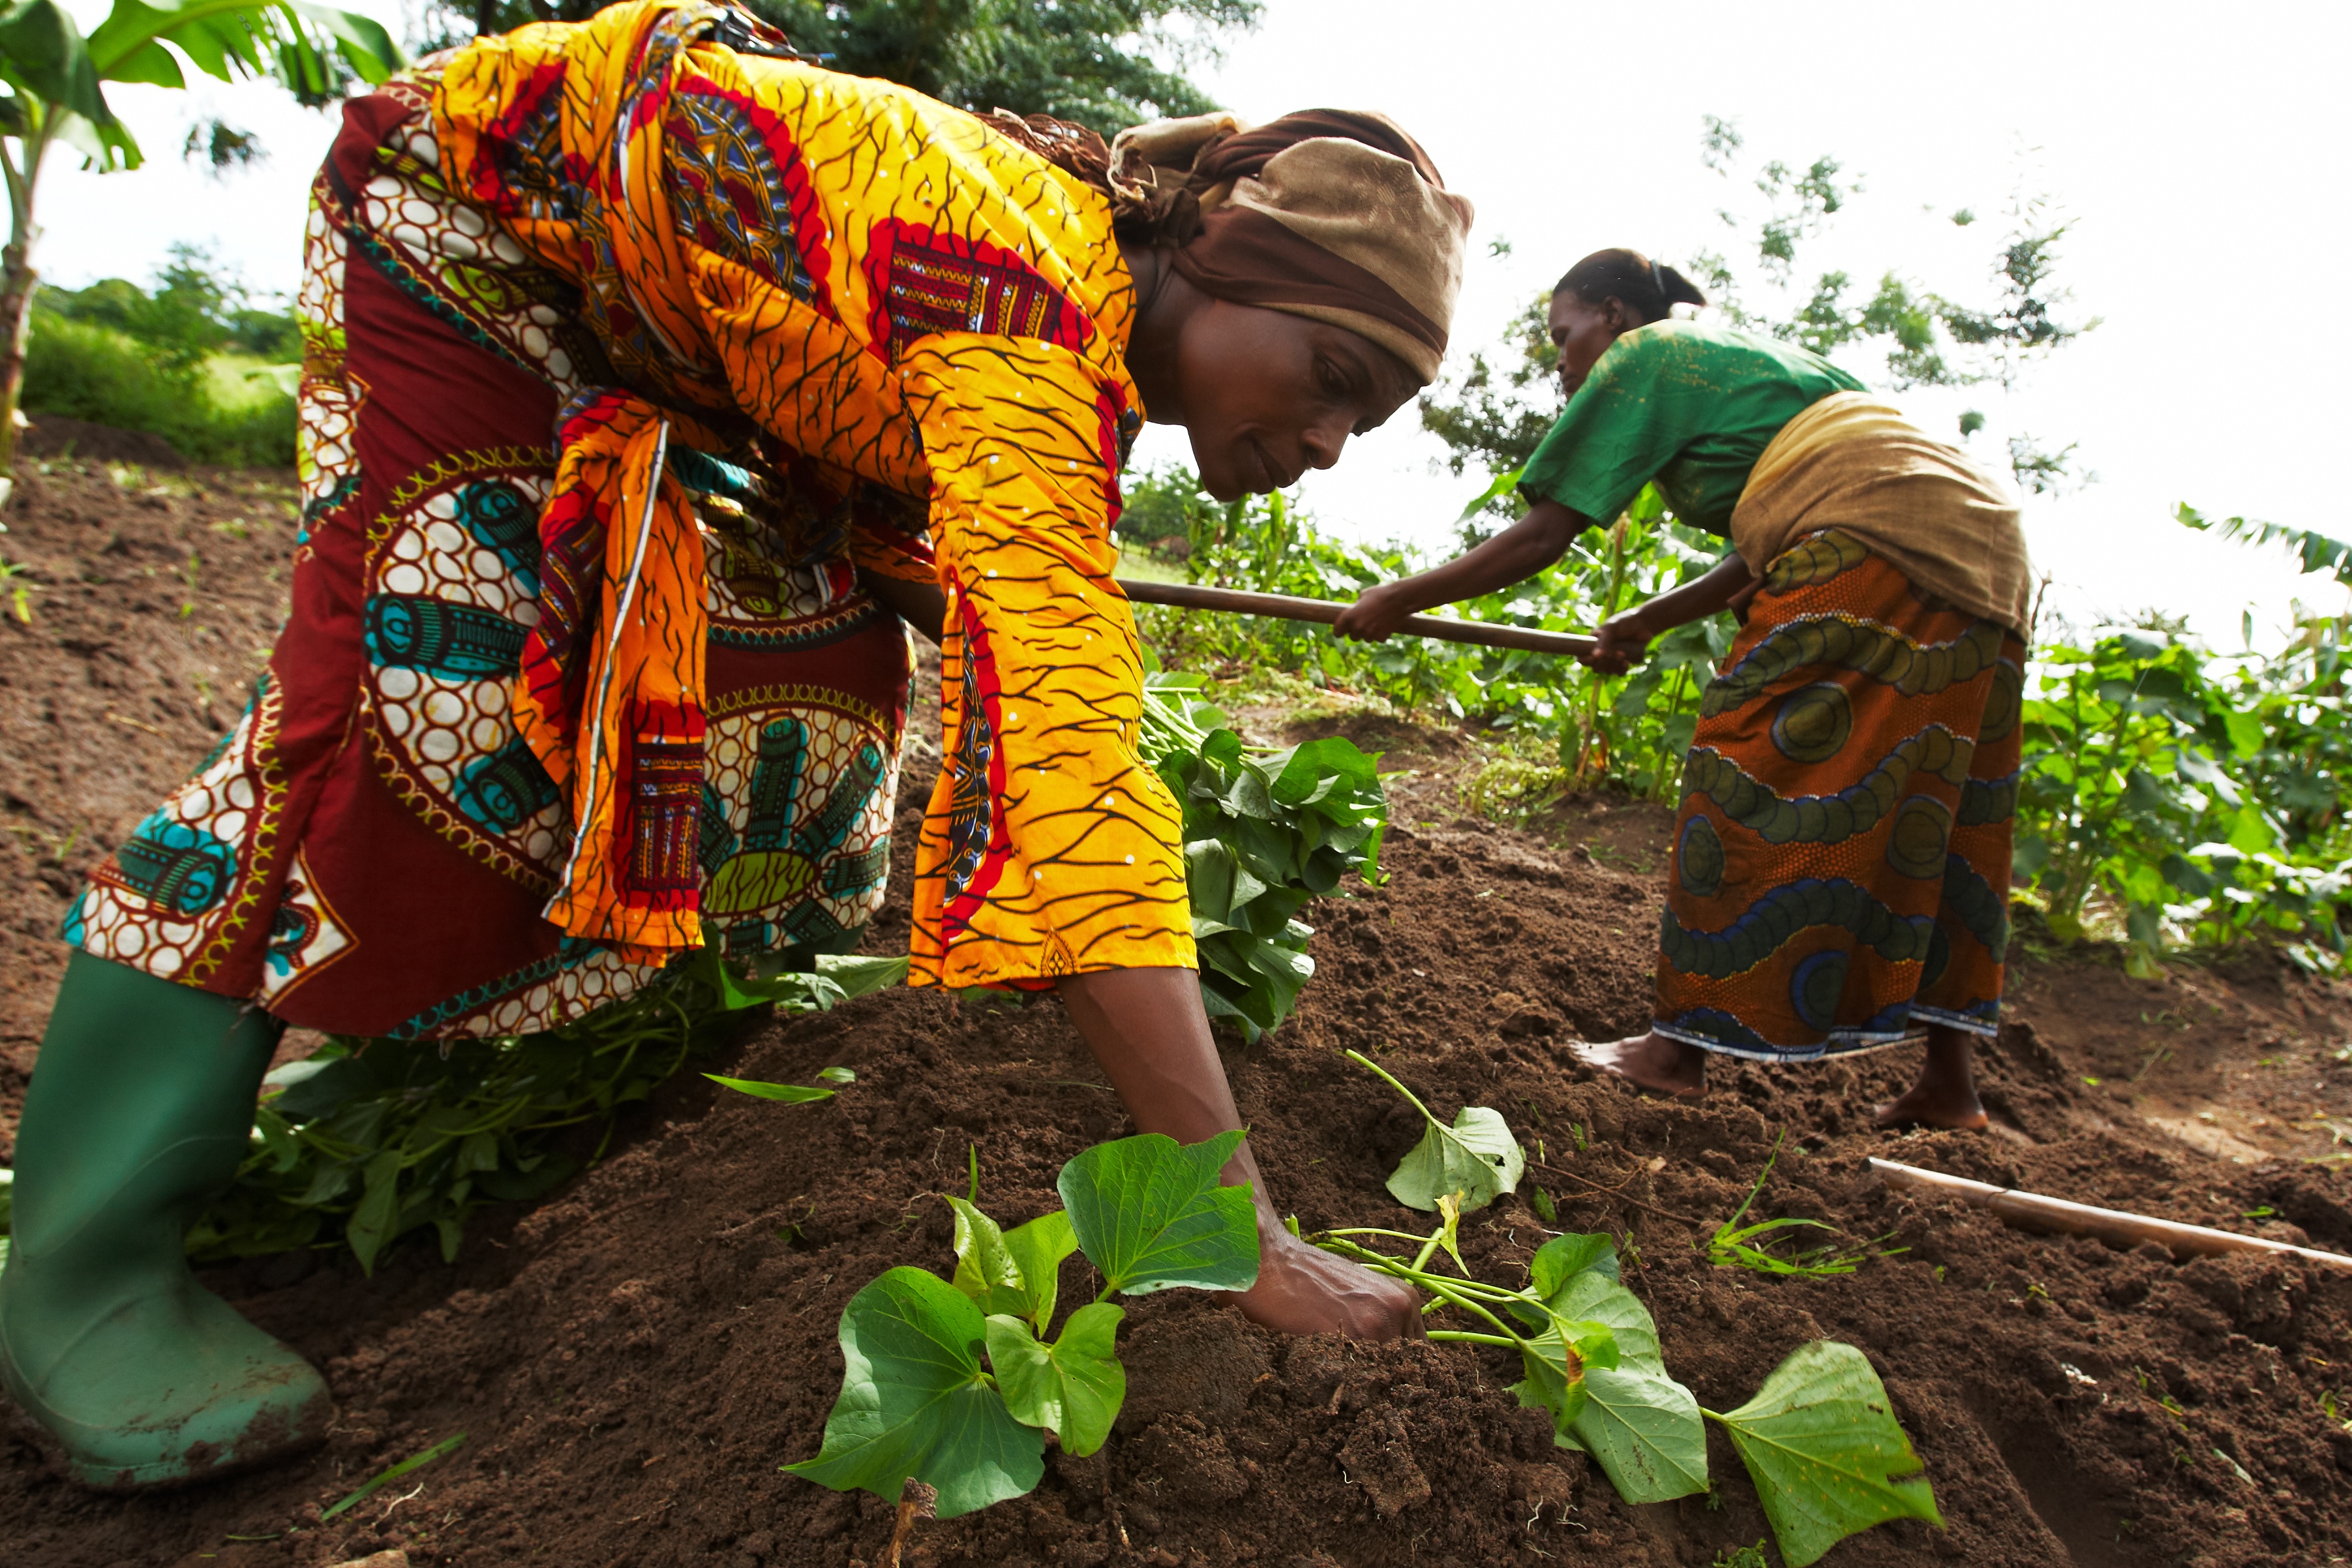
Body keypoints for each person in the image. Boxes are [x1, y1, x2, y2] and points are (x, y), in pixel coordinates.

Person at [0, 0, 1475, 1489]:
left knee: (810, 688)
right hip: (466, 222)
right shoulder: (1024, 310)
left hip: (668, 339)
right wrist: (1240, 1233)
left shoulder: (1070, 319)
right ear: (1225, 260)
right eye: (1333, 378)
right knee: (422, 704)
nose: (1332, 443)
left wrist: (1000, 620)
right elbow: (1068, 779)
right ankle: (82, 1264)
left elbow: (948, 561)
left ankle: (407, 1068)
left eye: (1377, 421)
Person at [1335, 247, 2030, 1132]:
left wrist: (1402, 597)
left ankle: (1673, 1054)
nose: (1562, 358)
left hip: (1871, 532)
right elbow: (1761, 550)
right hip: (1988, 549)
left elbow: (1543, 534)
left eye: (1564, 334)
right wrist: (1644, 623)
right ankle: (1950, 1087)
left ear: (1615, 315)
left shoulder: (1649, 351)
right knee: (1942, 800)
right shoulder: (1770, 369)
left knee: (1746, 762)